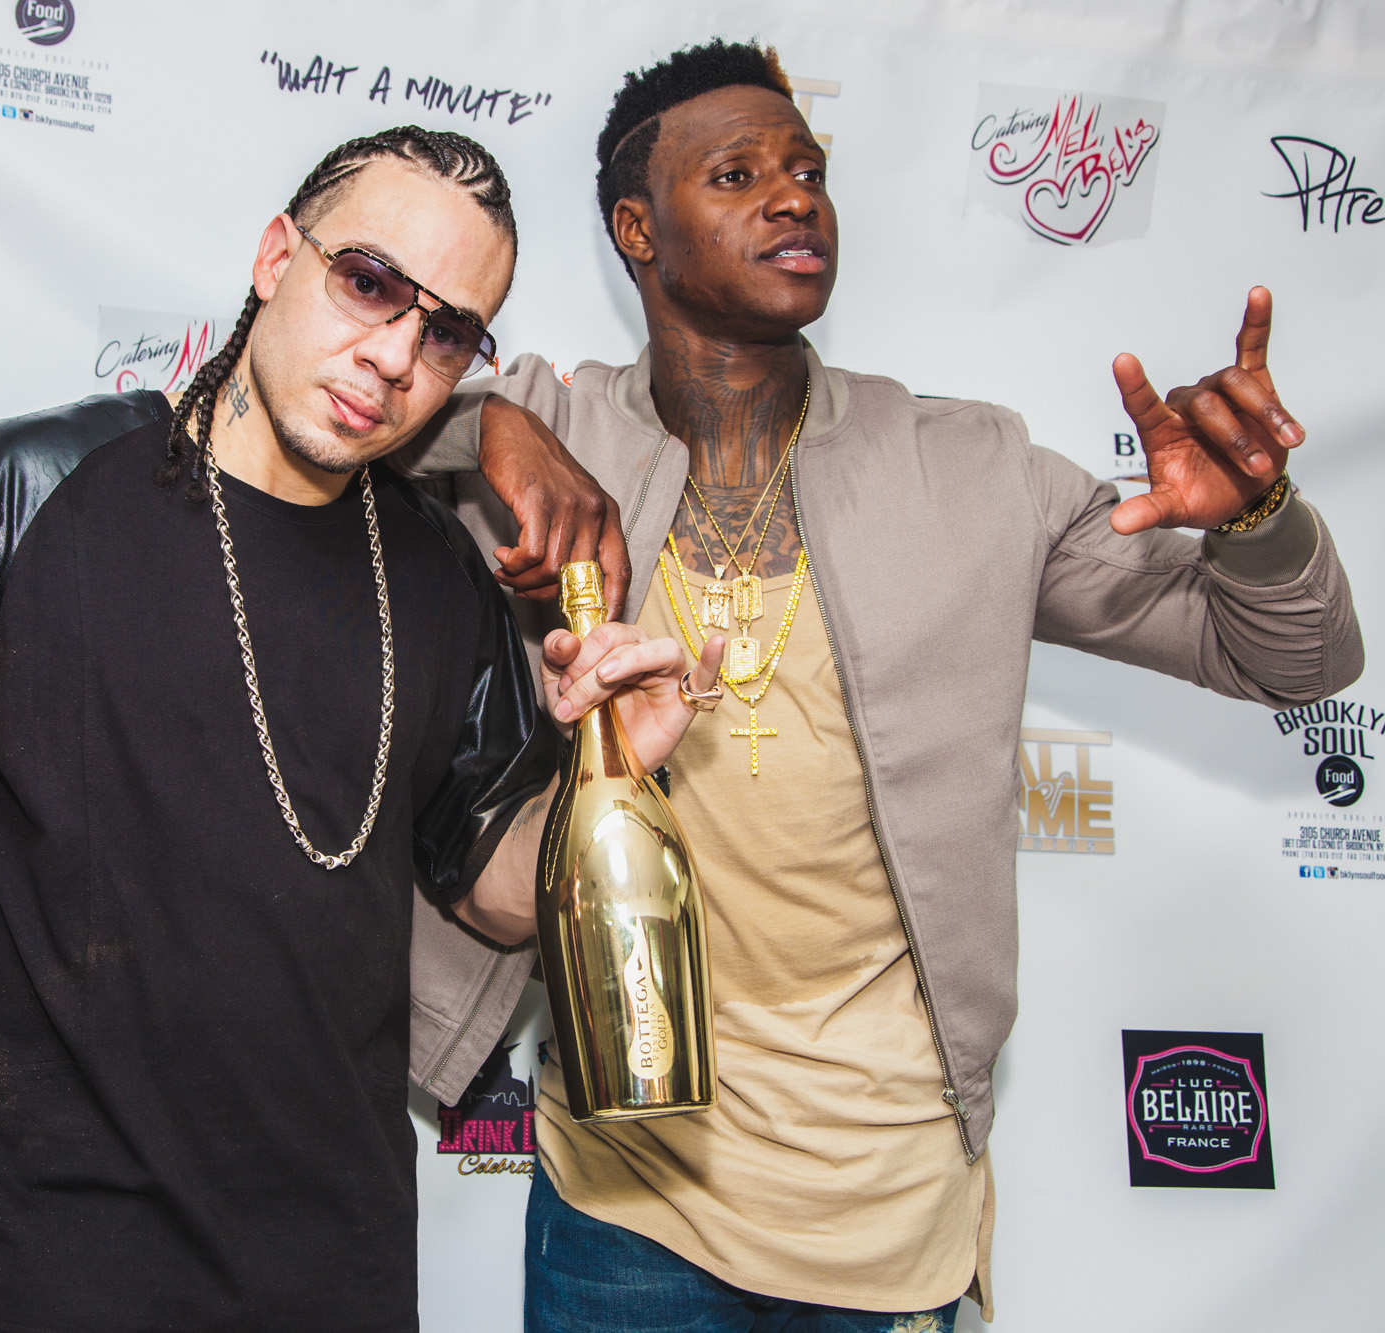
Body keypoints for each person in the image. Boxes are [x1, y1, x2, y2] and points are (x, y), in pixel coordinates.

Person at [398, 41, 1363, 1333]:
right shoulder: (551, 438)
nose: (792, 196)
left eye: (807, 169)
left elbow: (1291, 655)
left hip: (890, 1209)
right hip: (624, 1202)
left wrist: (1255, 519)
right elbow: (303, 420)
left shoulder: (974, 468)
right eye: (735, 174)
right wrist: (488, 426)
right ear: (636, 228)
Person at [0, 126, 690, 1333]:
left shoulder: (435, 568)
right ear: (274, 257)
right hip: (51, 1282)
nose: (393, 354)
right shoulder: (36, 487)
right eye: (368, 282)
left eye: (446, 331)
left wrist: (612, 774)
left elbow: (493, 891)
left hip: (340, 1279)